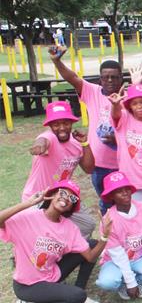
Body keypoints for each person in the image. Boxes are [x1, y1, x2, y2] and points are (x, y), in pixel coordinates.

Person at [1, 180, 109, 303]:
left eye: (72, 198)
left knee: (91, 244)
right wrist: (28, 203)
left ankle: (78, 290)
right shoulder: (28, 217)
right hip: (28, 285)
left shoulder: (69, 227)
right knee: (77, 297)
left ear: (72, 206)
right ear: (52, 194)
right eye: (62, 193)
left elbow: (90, 256)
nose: (65, 198)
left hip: (52, 274)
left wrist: (105, 236)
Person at [49, 45, 123, 213]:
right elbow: (72, 77)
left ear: (121, 78)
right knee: (106, 204)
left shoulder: (128, 97)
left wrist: (118, 139)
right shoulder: (92, 92)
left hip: (124, 163)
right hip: (99, 165)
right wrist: (57, 61)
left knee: (125, 203)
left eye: (114, 77)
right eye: (106, 77)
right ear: (100, 80)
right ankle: (110, 237)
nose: (110, 80)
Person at [24, 101, 96, 239]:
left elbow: (89, 168)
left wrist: (85, 143)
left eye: (66, 123)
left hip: (62, 196)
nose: (62, 128)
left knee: (88, 225)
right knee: (41, 236)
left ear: (71, 122)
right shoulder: (49, 138)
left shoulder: (76, 144)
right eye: (56, 124)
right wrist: (39, 146)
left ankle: (70, 250)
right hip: (37, 197)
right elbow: (42, 140)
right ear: (50, 126)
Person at [95, 172, 142, 300]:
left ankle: (140, 281)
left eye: (126, 189)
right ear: (111, 196)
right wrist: (130, 283)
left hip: (141, 256)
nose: (125, 193)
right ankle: (123, 283)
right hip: (115, 261)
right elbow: (118, 255)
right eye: (118, 191)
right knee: (107, 282)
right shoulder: (108, 220)